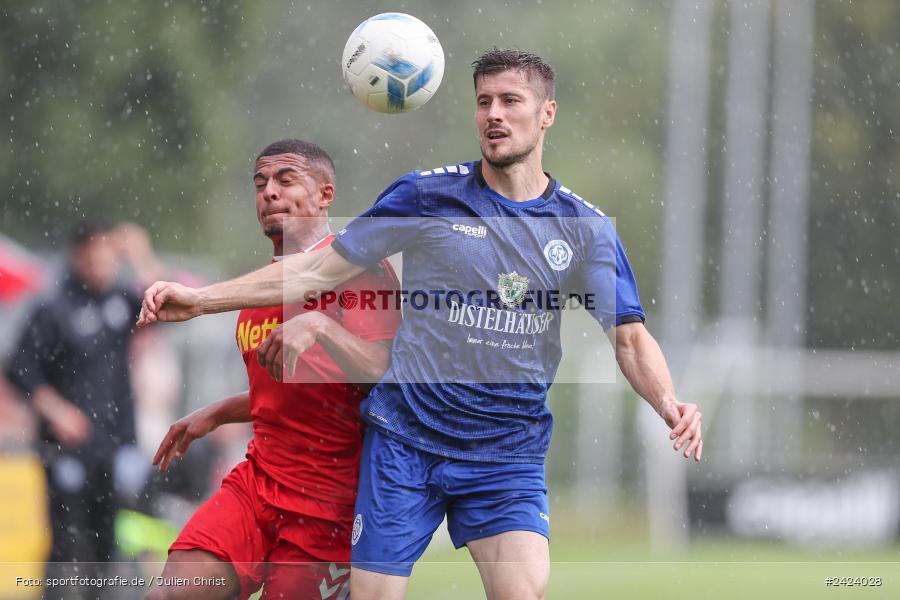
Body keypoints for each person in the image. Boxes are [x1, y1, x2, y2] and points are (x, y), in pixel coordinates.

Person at [137, 50, 703, 600]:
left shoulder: (585, 228)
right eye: (484, 102)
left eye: (511, 100)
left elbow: (628, 338)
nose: (494, 115)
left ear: (547, 113)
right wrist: (203, 300)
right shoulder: (426, 195)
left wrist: (669, 402)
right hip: (405, 442)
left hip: (505, 450)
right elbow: (313, 270)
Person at [145, 139, 401, 600]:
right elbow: (296, 389)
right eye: (260, 183)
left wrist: (321, 326)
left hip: (330, 503)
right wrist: (218, 412)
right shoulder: (257, 290)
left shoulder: (361, 268)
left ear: (326, 194)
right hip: (258, 482)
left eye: (286, 180)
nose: (269, 192)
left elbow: (386, 370)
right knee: (174, 590)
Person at [5, 221, 166, 600]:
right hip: (65, 448)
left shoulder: (122, 302)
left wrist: (140, 253)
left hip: (114, 444)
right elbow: (19, 369)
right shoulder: (53, 309)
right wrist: (56, 410)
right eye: (94, 255)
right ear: (78, 256)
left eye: (110, 256)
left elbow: (166, 304)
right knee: (64, 540)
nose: (102, 264)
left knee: (109, 540)